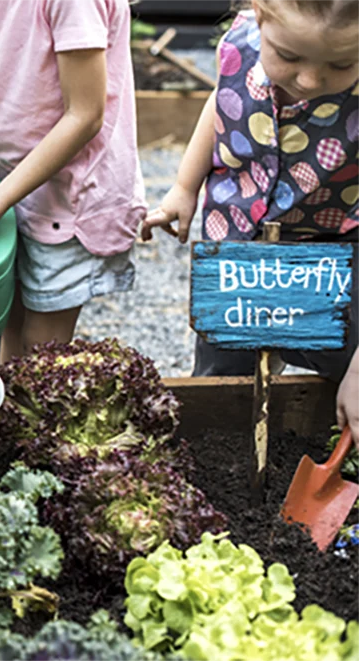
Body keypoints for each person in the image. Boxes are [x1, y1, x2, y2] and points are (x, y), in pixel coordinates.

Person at [141, 0, 359, 437]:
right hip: (237, 245)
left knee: (341, 361)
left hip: (331, 253)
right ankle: (222, 453)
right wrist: (185, 186)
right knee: (226, 374)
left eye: (341, 64)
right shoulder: (239, 40)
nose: (310, 80)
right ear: (259, 14)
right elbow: (224, 99)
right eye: (290, 56)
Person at [0, 0, 146, 361]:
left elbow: (85, 116)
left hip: (70, 196)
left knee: (41, 347)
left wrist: (2, 197)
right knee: (8, 315)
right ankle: (6, 415)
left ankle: (34, 416)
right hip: (12, 183)